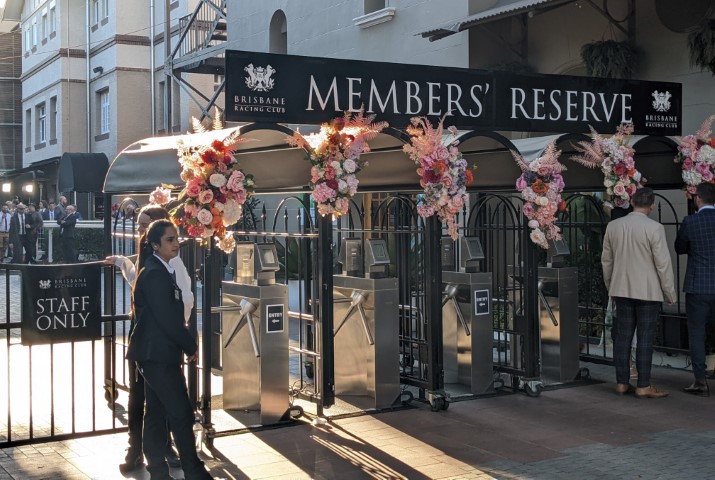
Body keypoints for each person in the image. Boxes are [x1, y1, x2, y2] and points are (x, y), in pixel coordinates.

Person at [105, 205, 192, 472]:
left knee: (159, 402)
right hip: (146, 341)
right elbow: (136, 281)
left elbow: (183, 302)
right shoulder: (151, 262)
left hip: (162, 342)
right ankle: (141, 452)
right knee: (140, 398)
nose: (139, 231)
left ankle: (162, 451)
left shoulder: (171, 263)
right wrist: (121, 261)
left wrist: (181, 336)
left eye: (144, 226)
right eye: (139, 225)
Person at [127, 219, 212, 480]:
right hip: (157, 355)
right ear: (155, 245)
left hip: (156, 354)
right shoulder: (153, 272)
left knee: (155, 413)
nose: (176, 244)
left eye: (177, 238)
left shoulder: (161, 269)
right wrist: (189, 345)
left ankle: (158, 472)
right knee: (180, 412)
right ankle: (193, 470)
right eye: (170, 240)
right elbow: (167, 319)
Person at [601, 187, 676, 398]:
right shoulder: (655, 228)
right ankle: (643, 384)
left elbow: (606, 261)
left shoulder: (613, 226)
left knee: (622, 336)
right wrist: (669, 292)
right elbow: (663, 263)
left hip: (621, 288)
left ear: (632, 202)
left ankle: (622, 382)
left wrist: (610, 286)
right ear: (651, 206)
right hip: (648, 291)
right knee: (645, 337)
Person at [674, 182, 715, 397]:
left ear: (698, 199)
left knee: (697, 333)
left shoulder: (691, 221)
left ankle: (700, 380)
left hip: (698, 285)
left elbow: (679, 247)